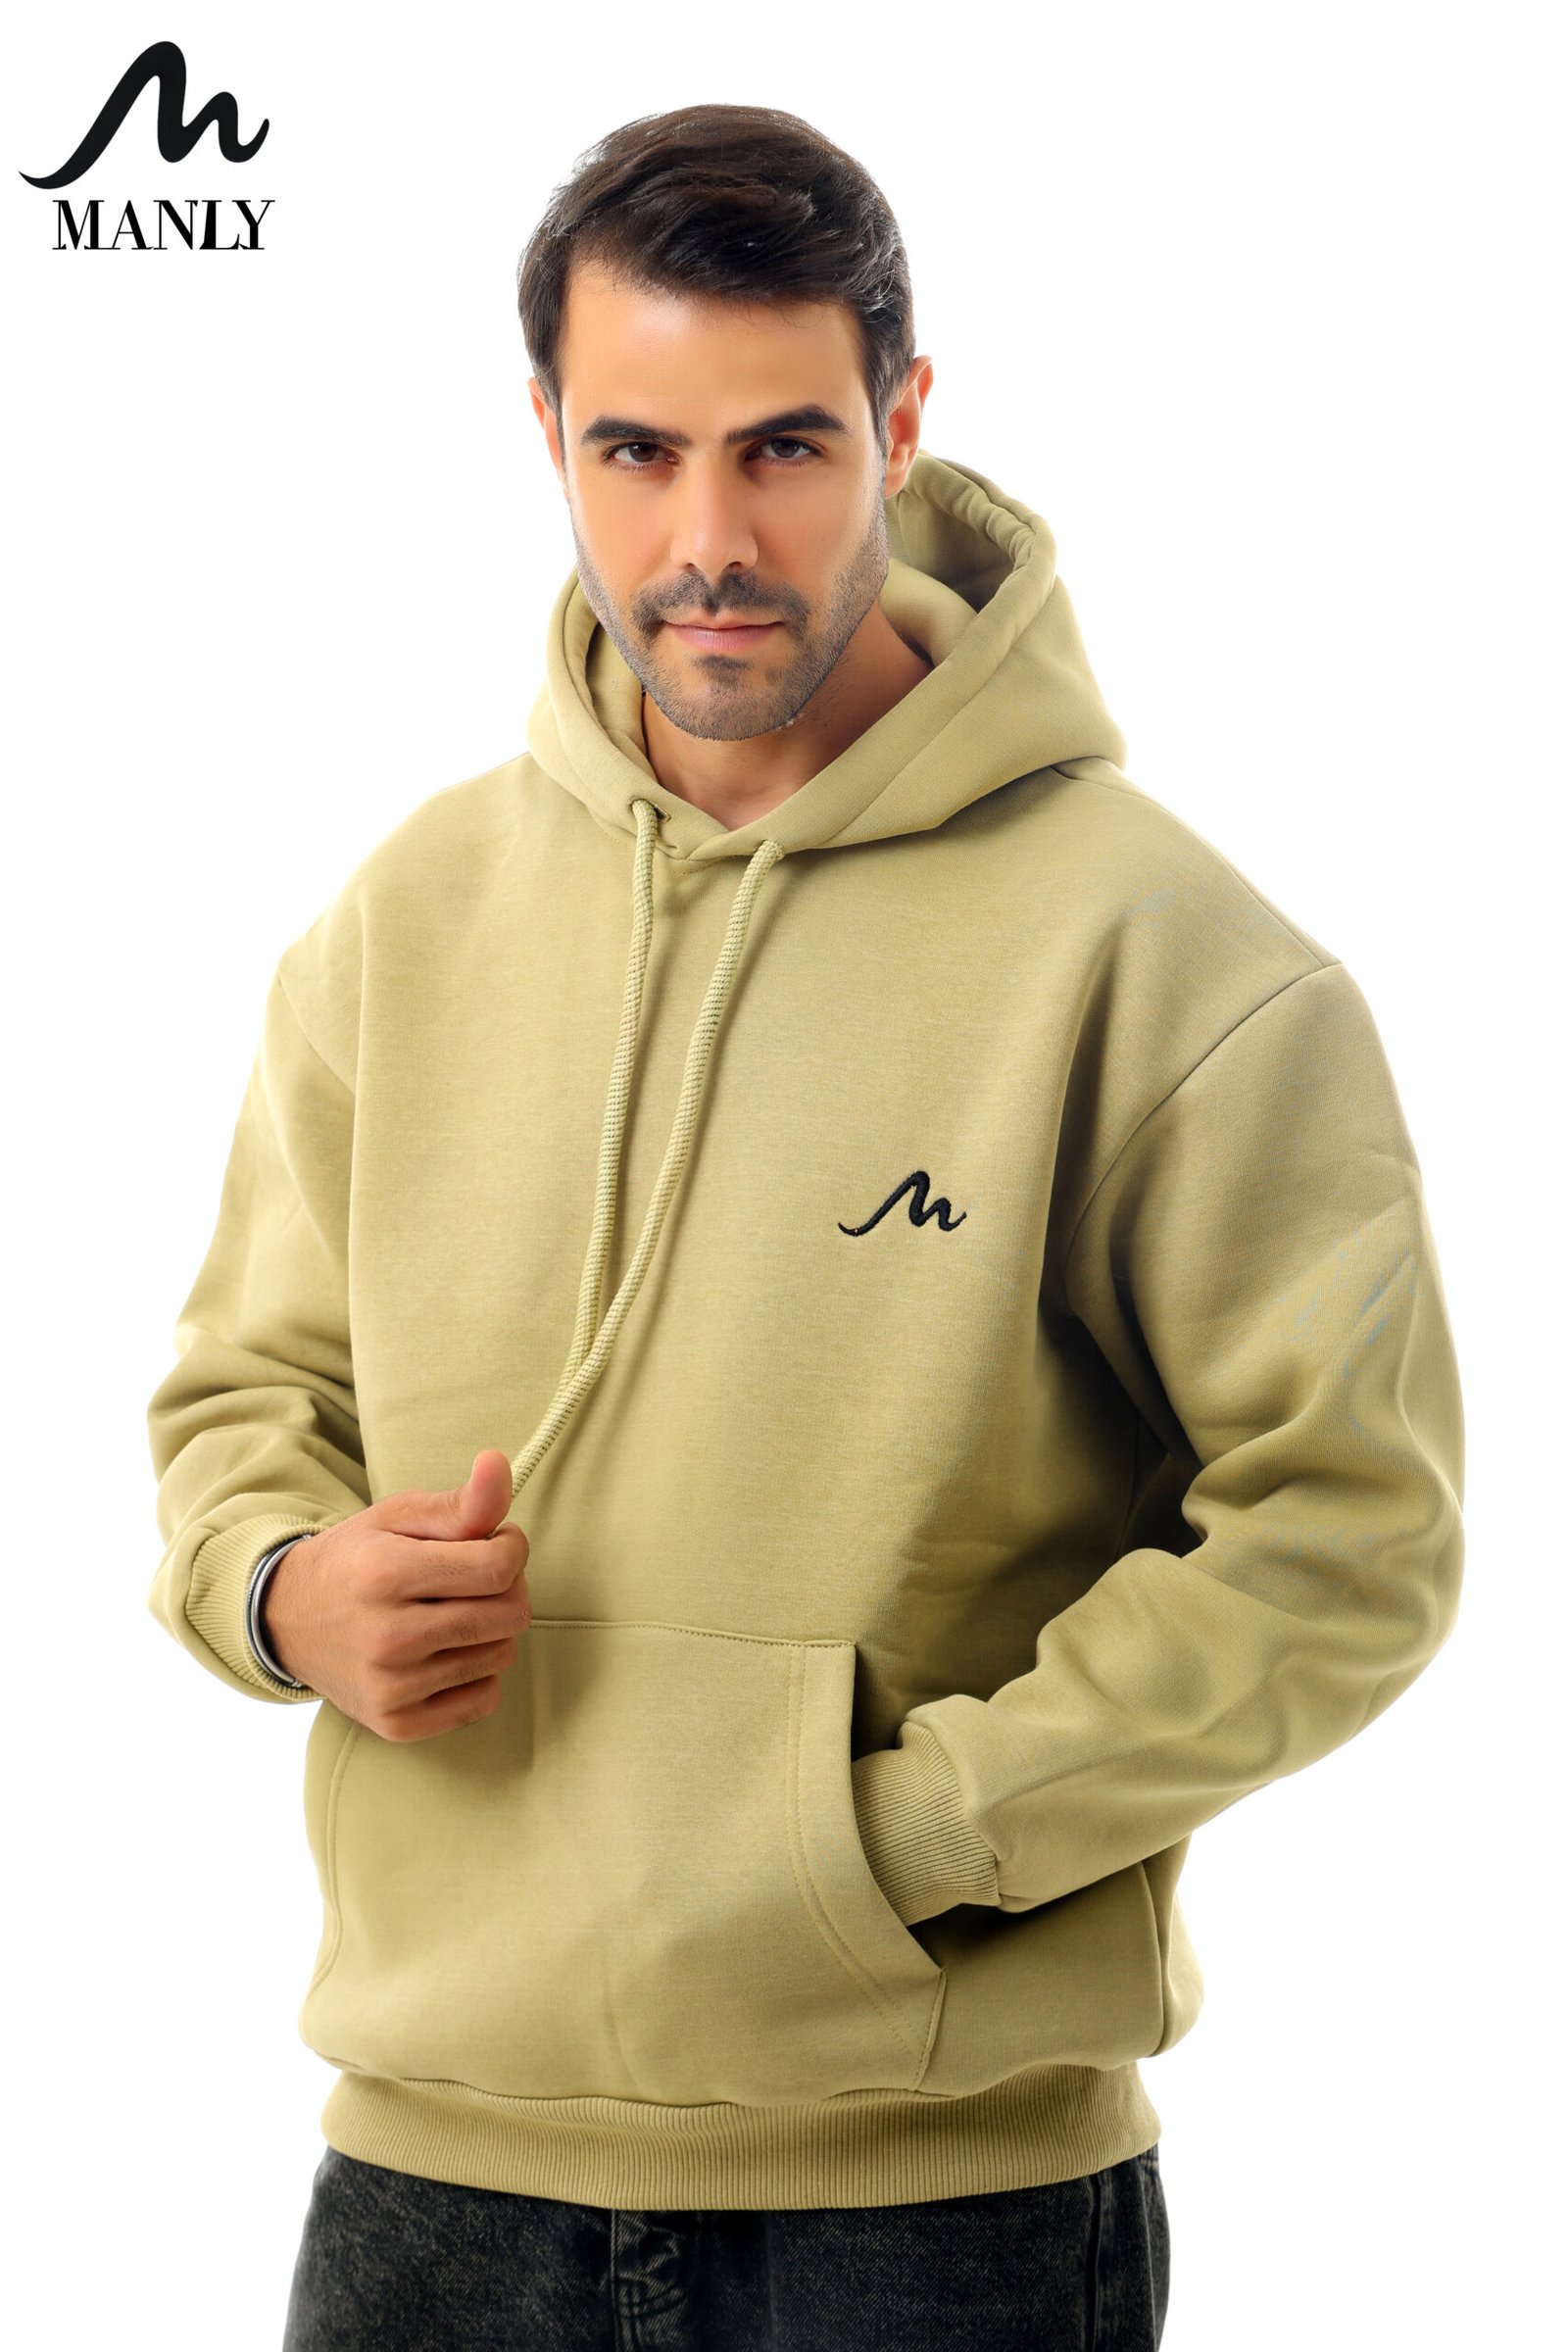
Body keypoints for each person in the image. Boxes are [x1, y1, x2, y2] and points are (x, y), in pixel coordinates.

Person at [145, 100, 1465, 2351]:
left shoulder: (1161, 958)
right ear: (548, 440)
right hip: (426, 2181)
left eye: (781, 448)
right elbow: (243, 1403)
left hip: (925, 2218)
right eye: (635, 453)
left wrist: (899, 1841)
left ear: (899, 423)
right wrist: (280, 1589)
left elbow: (1349, 1534)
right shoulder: (400, 924)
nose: (707, 542)